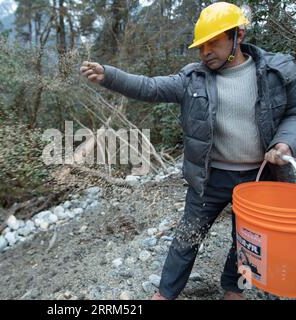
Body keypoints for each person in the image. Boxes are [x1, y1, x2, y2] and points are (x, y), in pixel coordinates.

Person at [80, 2, 296, 300]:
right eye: (201, 46)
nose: (206, 51)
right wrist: (109, 75)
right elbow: (150, 87)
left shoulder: (277, 71)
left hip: (258, 178)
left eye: (214, 42)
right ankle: (166, 293)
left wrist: (284, 143)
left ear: (239, 35)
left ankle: (234, 289)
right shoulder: (192, 79)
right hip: (209, 178)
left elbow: (293, 114)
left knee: (246, 238)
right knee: (186, 237)